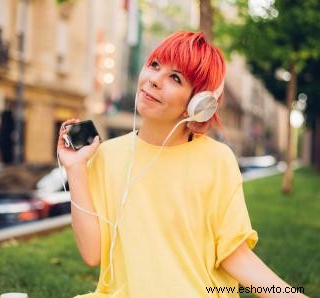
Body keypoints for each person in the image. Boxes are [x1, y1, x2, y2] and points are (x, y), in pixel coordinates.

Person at [57, 31, 307, 298]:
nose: (154, 80)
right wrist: (75, 169)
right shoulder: (108, 155)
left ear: (199, 103)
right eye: (154, 65)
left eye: (175, 78)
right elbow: (92, 254)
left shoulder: (216, 160)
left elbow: (236, 257)